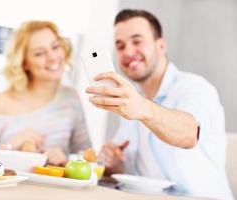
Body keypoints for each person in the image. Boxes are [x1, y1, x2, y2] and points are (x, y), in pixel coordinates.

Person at [86, 9, 233, 199]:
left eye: (137, 41)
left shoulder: (194, 88)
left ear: (161, 46)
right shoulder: (133, 101)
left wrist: (142, 108)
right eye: (120, 46)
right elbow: (133, 169)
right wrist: (113, 161)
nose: (128, 52)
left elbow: (189, 134)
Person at [0, 20, 91, 166]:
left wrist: (66, 160)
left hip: (51, 188)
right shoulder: (0, 102)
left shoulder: (70, 98)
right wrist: (9, 147)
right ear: (24, 63)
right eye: (39, 53)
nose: (52, 57)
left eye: (55, 47)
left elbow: (87, 157)